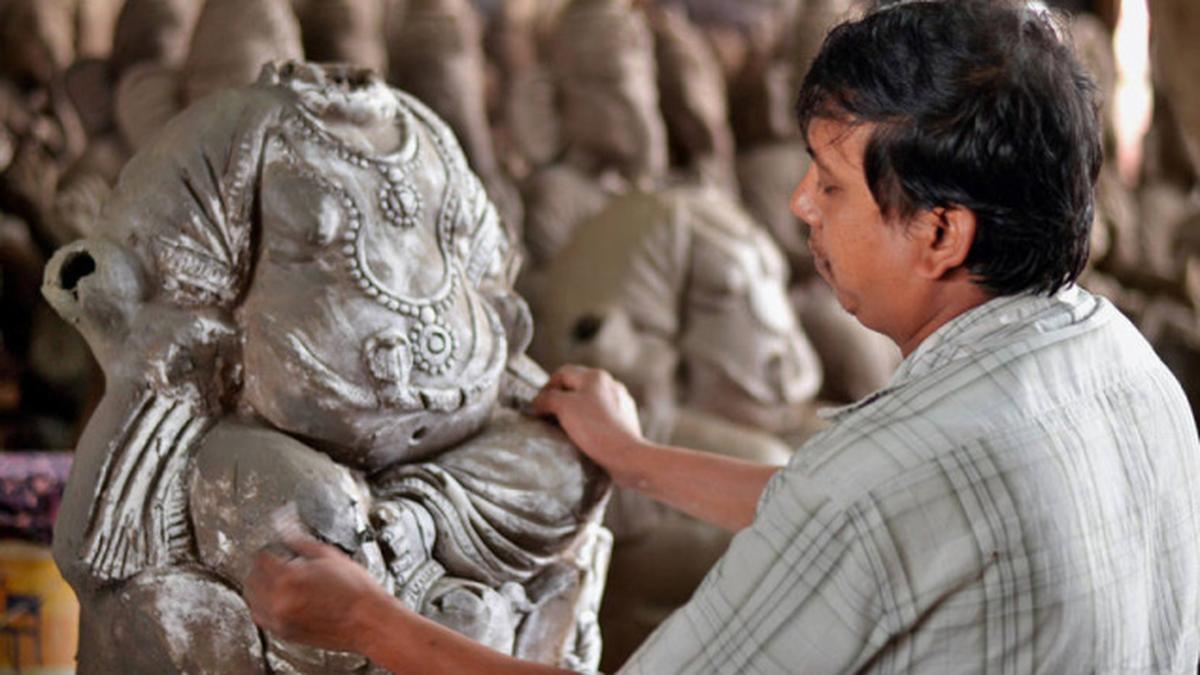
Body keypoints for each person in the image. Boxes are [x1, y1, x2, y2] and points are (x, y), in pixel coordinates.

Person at [243, 0, 1200, 672]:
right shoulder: (1121, 362)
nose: (798, 204)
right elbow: (851, 512)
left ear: (942, 232)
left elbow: (856, 503)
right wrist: (635, 456)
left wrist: (369, 621)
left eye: (830, 183)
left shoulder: (882, 473)